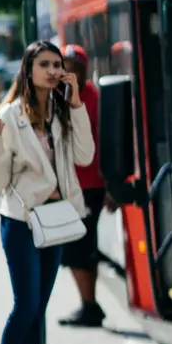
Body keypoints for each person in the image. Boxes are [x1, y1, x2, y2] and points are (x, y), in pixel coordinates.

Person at [0, 40, 94, 344]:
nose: (52, 70)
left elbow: (85, 156)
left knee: (35, 311)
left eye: (57, 64)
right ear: (28, 69)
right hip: (21, 221)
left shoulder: (62, 111)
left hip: (55, 220)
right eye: (43, 64)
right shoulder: (9, 116)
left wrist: (76, 104)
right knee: (25, 306)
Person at [58, 44, 109, 327]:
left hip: (89, 185)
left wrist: (110, 185)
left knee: (80, 247)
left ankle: (90, 305)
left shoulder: (93, 97)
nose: (68, 71)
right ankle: (89, 304)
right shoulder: (59, 95)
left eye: (73, 66)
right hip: (68, 184)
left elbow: (105, 141)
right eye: (65, 66)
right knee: (79, 247)